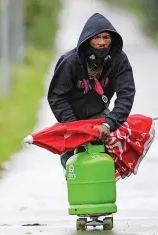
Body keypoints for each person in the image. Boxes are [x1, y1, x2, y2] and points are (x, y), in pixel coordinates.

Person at [48, 13, 136, 168]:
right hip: (72, 119)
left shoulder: (119, 60)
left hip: (100, 118)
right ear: (88, 40)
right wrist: (74, 127)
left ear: (112, 39)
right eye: (97, 38)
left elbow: (126, 95)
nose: (102, 42)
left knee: (108, 159)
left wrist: (109, 124)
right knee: (74, 163)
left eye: (106, 37)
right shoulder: (69, 62)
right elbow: (57, 97)